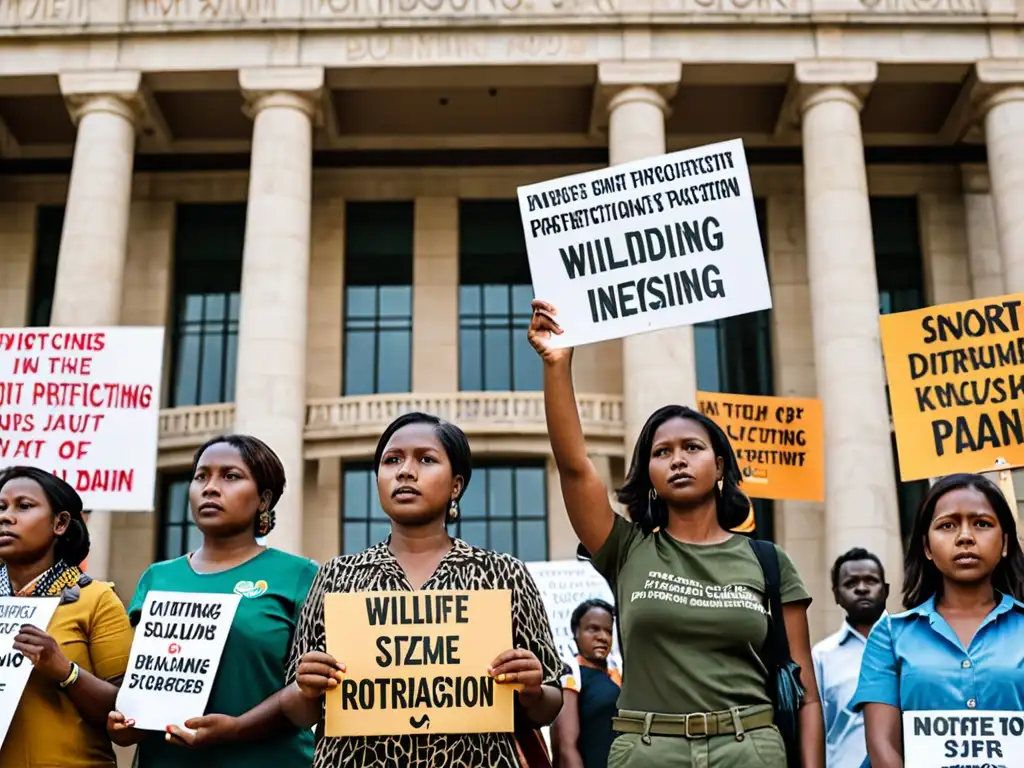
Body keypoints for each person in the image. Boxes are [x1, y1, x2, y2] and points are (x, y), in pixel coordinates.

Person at [527, 299, 824, 768]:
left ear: (720, 465)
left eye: (692, 448)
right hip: (647, 751)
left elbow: (806, 694)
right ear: (648, 471)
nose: (678, 459)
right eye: (662, 452)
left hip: (750, 748)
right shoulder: (627, 549)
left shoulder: (769, 561)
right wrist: (557, 365)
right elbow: (574, 467)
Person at [270, 411, 564, 767]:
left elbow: (549, 704)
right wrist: (306, 686)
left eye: (426, 459)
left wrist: (531, 689)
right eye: (392, 460)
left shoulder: (504, 574)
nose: (405, 471)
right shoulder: (335, 577)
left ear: (456, 485)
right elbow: (300, 712)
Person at [107, 434, 318, 767]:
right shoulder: (157, 577)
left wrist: (236, 729)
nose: (210, 487)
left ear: (264, 499)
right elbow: (140, 683)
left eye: (230, 476)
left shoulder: (299, 575)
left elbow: (312, 692)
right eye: (201, 476)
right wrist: (125, 722)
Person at [852, 472, 1024, 767]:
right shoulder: (890, 635)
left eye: (982, 524)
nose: (965, 536)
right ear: (927, 547)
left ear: (1005, 543)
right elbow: (883, 747)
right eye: (947, 525)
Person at [0, 465, 133, 766]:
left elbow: (129, 713)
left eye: (23, 506)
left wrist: (64, 670)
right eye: (1, 507)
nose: (5, 517)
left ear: (60, 523)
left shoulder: (96, 599)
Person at [812, 548, 888, 768]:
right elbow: (815, 730)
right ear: (836, 594)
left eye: (871, 581)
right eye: (851, 583)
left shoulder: (911, 645)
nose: (862, 588)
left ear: (886, 589)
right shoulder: (821, 656)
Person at [552, 599, 622, 768]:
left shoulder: (618, 672)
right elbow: (566, 746)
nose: (602, 637)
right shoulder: (571, 675)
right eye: (593, 629)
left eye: (608, 631)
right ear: (576, 632)